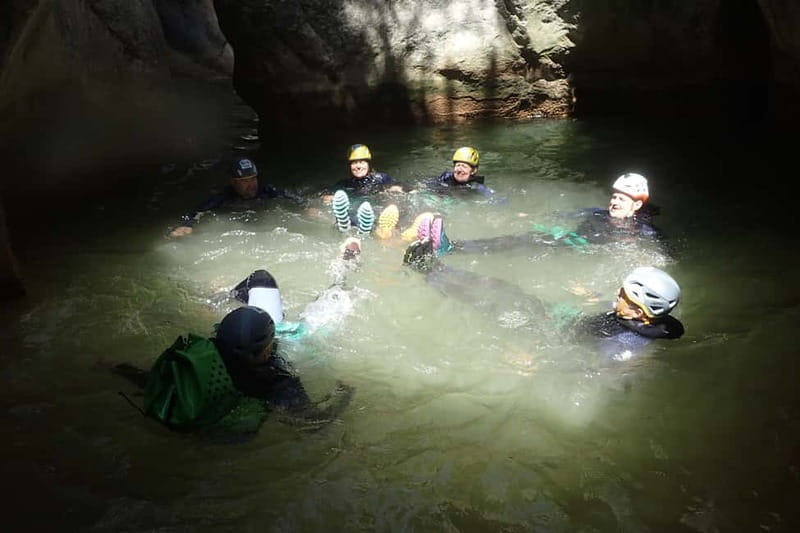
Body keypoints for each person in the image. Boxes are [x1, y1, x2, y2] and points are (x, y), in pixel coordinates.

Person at [403, 237, 684, 361]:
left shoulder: (627, 345)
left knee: (488, 304)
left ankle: (425, 272)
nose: (616, 295)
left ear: (639, 311)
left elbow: (586, 367)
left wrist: (534, 358)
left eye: (623, 296)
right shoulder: (635, 318)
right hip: (560, 319)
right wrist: (594, 297)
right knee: (503, 287)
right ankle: (438, 267)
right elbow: (606, 318)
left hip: (547, 334)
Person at [113, 304, 354, 441]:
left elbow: (153, 379)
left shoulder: (204, 354)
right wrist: (345, 392)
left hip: (176, 413)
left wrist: (120, 369)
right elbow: (312, 423)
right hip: (222, 440)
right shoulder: (276, 381)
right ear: (265, 348)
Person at [439, 172, 664, 254]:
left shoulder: (643, 231)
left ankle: (454, 249)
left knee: (526, 242)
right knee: (523, 238)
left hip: (577, 249)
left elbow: (662, 253)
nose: (614, 202)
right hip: (568, 240)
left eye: (621, 199)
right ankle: (455, 247)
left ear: (636, 206)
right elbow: (566, 215)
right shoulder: (598, 213)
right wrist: (531, 217)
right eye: (614, 197)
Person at [168, 157, 307, 237]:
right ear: (233, 182)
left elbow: (289, 196)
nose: (251, 185)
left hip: (264, 223)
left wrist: (306, 206)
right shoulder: (224, 198)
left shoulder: (265, 190)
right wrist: (187, 225)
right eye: (245, 181)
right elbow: (199, 211)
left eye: (253, 179)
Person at [316, 144, 406, 236]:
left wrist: (395, 189)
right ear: (350, 166)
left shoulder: (381, 178)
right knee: (347, 218)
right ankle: (345, 225)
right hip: (355, 213)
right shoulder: (345, 184)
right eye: (354, 163)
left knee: (390, 208)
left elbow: (404, 188)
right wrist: (328, 198)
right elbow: (323, 195)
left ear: (369, 164)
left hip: (376, 211)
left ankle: (383, 229)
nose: (358, 166)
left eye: (362, 162)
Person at [417, 147, 496, 200]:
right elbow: (426, 184)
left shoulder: (476, 186)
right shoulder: (446, 177)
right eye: (457, 165)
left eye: (464, 166)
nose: (459, 169)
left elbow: (493, 197)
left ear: (473, 171)